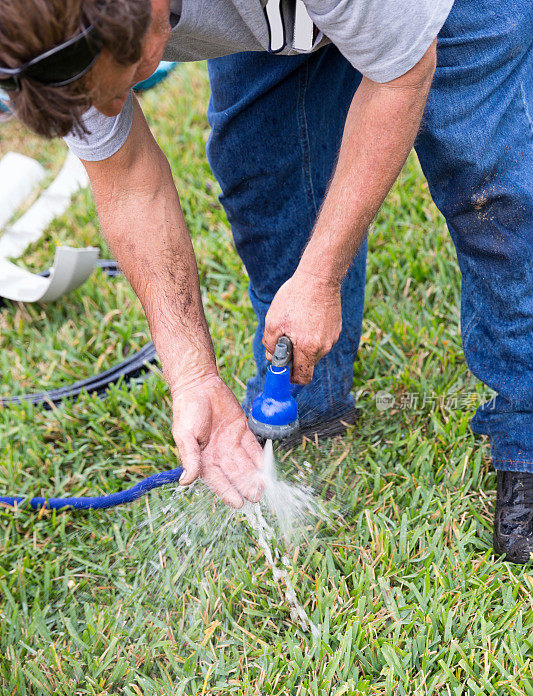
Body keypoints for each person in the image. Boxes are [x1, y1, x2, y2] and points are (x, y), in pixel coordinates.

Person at [0, 0, 531, 562]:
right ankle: (311, 403)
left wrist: (321, 277)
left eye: (124, 82)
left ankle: (526, 427)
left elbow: (402, 73)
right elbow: (130, 182)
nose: (116, 104)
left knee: (493, 190)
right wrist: (192, 375)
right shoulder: (51, 37)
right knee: (268, 182)